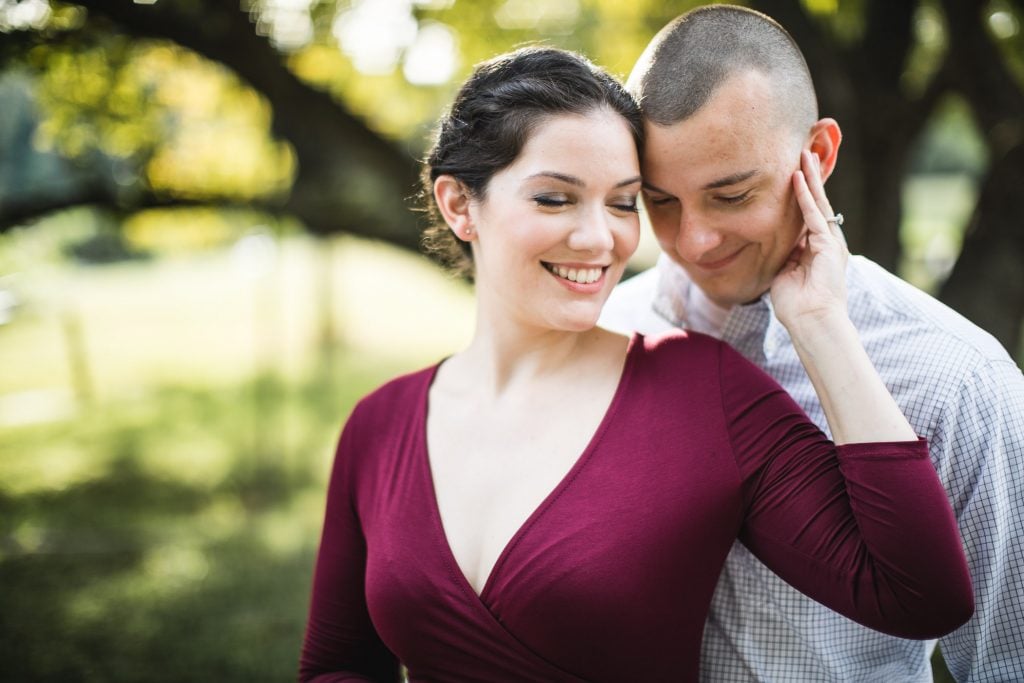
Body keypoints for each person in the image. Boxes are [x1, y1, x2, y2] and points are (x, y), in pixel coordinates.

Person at [299, 46, 973, 683]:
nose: (601, 238)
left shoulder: (702, 392)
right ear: (458, 205)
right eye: (555, 197)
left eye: (624, 202)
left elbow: (920, 593)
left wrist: (822, 321)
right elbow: (337, 662)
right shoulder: (379, 425)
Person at [600, 5, 1024, 681]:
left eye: (731, 195)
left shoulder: (959, 380)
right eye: (661, 200)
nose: (693, 241)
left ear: (818, 155)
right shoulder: (602, 333)